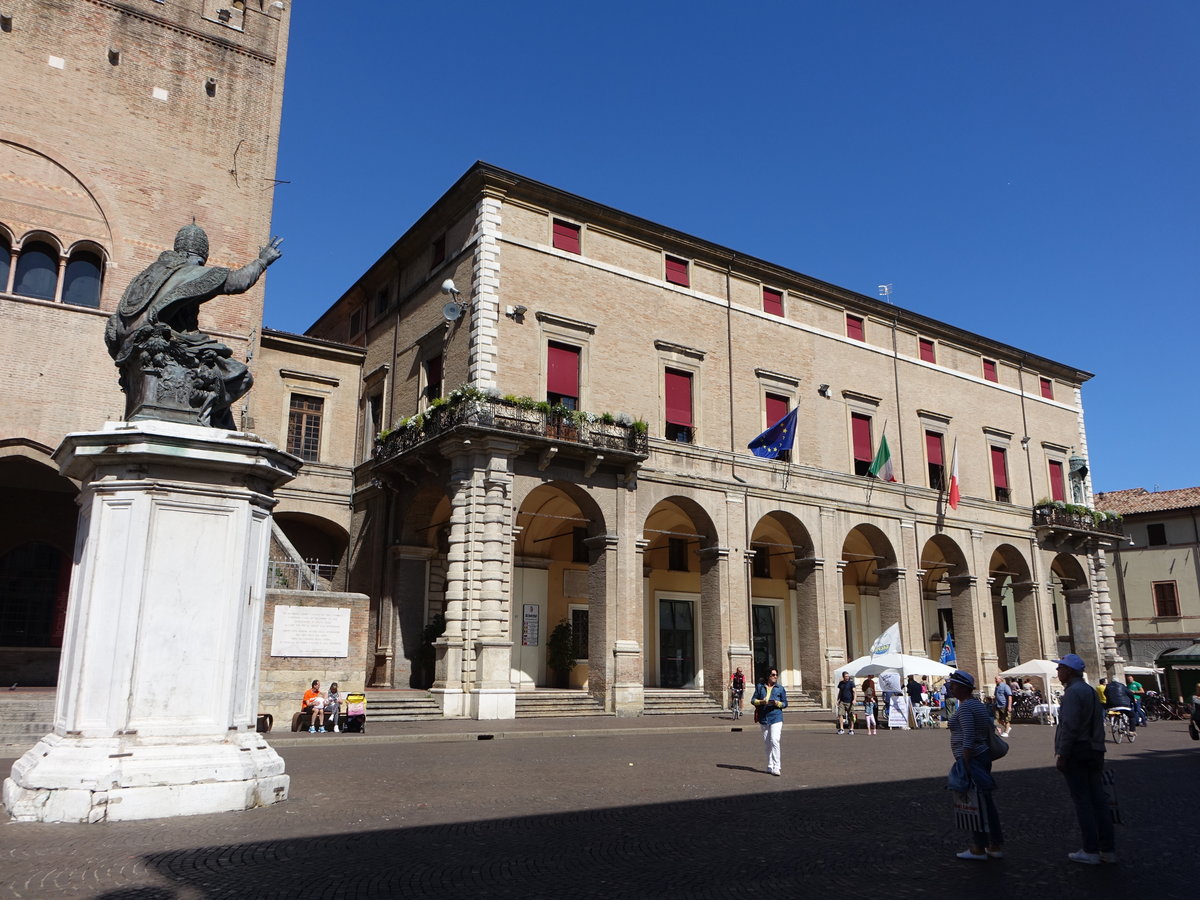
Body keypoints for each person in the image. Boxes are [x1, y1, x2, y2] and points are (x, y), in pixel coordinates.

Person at [104, 224, 282, 429]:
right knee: (240, 376)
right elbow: (237, 282)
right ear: (199, 255)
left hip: (135, 354)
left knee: (216, 367)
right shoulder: (189, 272)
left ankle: (216, 423)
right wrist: (262, 260)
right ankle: (203, 418)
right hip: (168, 348)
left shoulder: (148, 275)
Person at [1054, 653, 1115, 865]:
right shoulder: (1089, 691)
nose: (1057, 671)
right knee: (1099, 800)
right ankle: (1107, 849)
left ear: (1069, 671)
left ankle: (1090, 849)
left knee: (1083, 801)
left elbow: (1069, 727)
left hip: (1078, 751)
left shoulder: (1072, 694)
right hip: (1095, 749)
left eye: (1060, 668)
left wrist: (1062, 753)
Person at [945, 669, 1004, 860]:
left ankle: (979, 847)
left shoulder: (966, 708)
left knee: (974, 803)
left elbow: (969, 737)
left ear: (963, 688)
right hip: (982, 755)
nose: (951, 688)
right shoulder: (976, 705)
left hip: (973, 759)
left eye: (953, 685)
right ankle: (994, 844)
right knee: (985, 801)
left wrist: (965, 761)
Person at [751, 668, 787, 776]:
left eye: (776, 675)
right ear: (768, 676)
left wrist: (778, 703)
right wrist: (761, 701)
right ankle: (770, 765)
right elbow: (753, 700)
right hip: (764, 718)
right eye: (773, 675)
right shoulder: (760, 687)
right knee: (767, 744)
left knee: (774, 740)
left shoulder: (780, 688)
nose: (775, 676)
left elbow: (785, 703)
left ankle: (777, 766)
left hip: (776, 717)